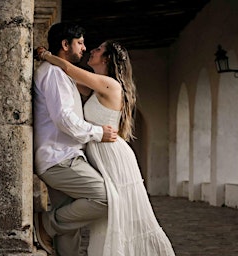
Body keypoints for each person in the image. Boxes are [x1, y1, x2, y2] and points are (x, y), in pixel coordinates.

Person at [36, 40, 176, 255]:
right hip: (98, 151)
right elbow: (66, 77)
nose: (91, 50)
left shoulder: (110, 84)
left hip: (111, 153)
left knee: (113, 204)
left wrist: (45, 55)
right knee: (108, 211)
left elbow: (68, 68)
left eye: (98, 49)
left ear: (107, 58)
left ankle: (47, 224)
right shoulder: (96, 84)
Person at [32, 22, 119, 256]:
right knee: (106, 198)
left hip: (64, 156)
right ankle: (45, 225)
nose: (84, 48)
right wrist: (100, 132)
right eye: (79, 43)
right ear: (65, 44)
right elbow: (65, 120)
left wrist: (46, 55)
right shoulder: (54, 75)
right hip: (59, 159)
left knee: (69, 224)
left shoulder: (61, 73)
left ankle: (52, 233)